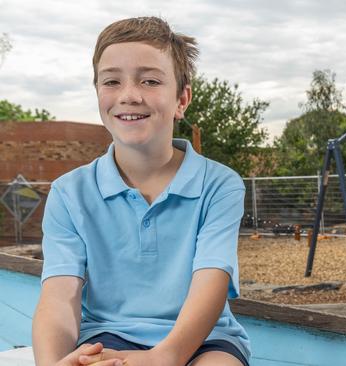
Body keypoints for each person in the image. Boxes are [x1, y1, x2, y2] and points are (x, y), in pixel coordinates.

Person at [32, 17, 249, 366]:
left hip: (203, 341)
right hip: (105, 337)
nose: (129, 95)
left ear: (182, 99)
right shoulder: (69, 193)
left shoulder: (219, 185)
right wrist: (53, 363)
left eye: (149, 81)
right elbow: (60, 296)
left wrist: (165, 357)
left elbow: (212, 282)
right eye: (112, 81)